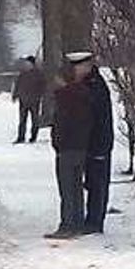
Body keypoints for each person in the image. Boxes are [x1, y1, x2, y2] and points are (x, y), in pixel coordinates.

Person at [47, 55, 94, 239]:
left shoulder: (64, 98)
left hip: (67, 148)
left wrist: (58, 142)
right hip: (81, 146)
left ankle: (67, 224)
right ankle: (77, 222)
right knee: (76, 186)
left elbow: (62, 123)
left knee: (67, 188)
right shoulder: (83, 94)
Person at [82, 52, 114, 234]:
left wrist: (100, 145)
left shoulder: (96, 86)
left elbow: (99, 118)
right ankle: (92, 219)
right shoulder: (90, 84)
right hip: (92, 142)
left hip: (98, 143)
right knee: (93, 182)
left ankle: (95, 221)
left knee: (97, 184)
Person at [12, 55, 46, 144]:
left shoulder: (38, 74)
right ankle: (21, 137)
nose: (26, 65)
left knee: (35, 120)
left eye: (28, 63)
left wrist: (40, 95)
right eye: (26, 63)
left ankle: (33, 137)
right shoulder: (22, 74)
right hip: (23, 100)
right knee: (22, 120)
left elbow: (43, 86)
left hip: (34, 100)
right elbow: (17, 85)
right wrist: (15, 95)